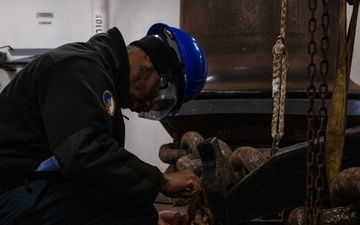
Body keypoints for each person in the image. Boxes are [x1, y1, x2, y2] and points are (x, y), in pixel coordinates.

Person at [0, 23, 207, 225]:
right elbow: (83, 154)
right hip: (8, 191)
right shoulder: (77, 66)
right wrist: (163, 181)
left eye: (162, 104)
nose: (149, 105)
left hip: (24, 185)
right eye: (160, 93)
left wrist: (153, 217)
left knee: (133, 208)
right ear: (147, 58)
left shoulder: (99, 80)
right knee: (133, 211)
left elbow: (99, 175)